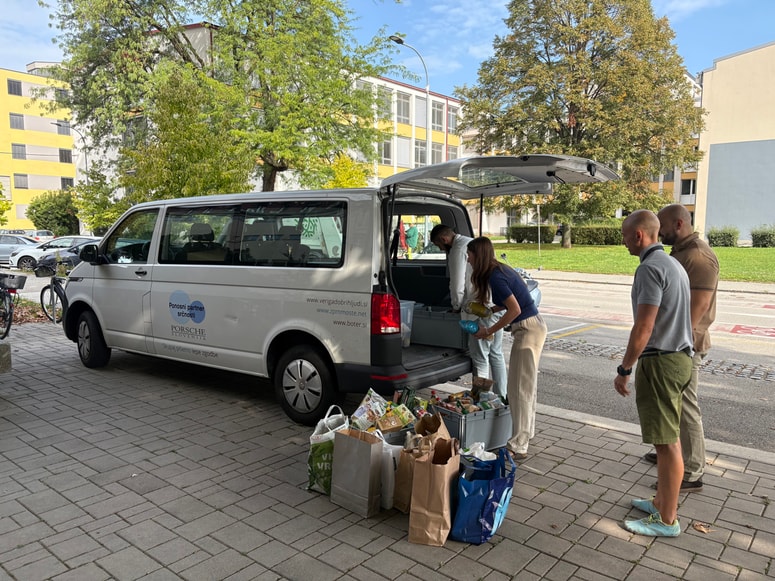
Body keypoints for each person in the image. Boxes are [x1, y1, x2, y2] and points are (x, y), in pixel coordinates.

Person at [615, 210, 693, 537]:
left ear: (639, 236)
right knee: (667, 438)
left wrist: (625, 368)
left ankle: (666, 519)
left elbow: (644, 327)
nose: (622, 241)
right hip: (679, 358)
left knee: (666, 443)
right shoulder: (673, 264)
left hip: (661, 361)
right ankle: (662, 502)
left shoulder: (650, 269)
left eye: (624, 235)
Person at [643, 204, 719, 492]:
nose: (658, 232)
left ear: (678, 224)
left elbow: (696, 310)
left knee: (686, 406)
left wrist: (674, 347)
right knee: (670, 403)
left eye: (661, 226)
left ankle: (692, 470)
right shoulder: (681, 252)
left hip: (686, 345)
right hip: (673, 343)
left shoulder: (699, 257)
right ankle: (670, 452)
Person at [466, 237, 546, 460]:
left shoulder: (496, 277)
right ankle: (525, 434)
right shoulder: (499, 270)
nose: (468, 259)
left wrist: (489, 330)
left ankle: (518, 444)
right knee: (525, 386)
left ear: (478, 255)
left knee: (519, 388)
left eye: (470, 255)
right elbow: (511, 301)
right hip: (532, 326)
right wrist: (492, 308)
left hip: (527, 328)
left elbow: (514, 308)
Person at [430, 226, 507, 399]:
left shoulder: (458, 250)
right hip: (493, 308)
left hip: (477, 311)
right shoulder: (471, 243)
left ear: (444, 239)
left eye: (439, 245)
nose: (441, 249)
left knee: (480, 358)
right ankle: (502, 396)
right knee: (496, 354)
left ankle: (481, 399)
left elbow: (456, 284)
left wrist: (456, 306)